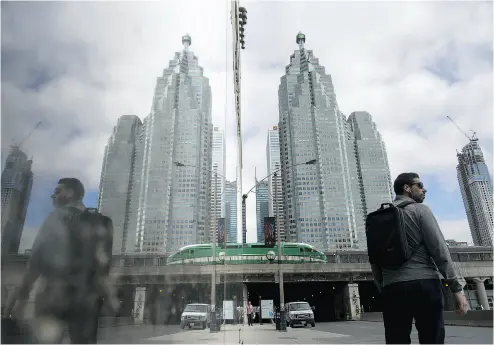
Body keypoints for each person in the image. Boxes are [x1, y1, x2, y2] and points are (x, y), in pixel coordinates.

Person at [4, 178, 117, 343]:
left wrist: (21, 297)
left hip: (53, 296)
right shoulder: (104, 222)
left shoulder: (55, 218)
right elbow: (104, 267)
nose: (53, 196)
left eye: (57, 192)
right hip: (86, 300)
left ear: (70, 193)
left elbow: (35, 261)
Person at [371, 173, 468, 344]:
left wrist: (383, 285)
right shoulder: (420, 210)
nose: (424, 189)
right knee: (432, 338)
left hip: (392, 287)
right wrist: (456, 288)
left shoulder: (379, 217)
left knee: (396, 340)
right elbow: (439, 249)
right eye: (420, 185)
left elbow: (375, 258)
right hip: (425, 283)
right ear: (407, 188)